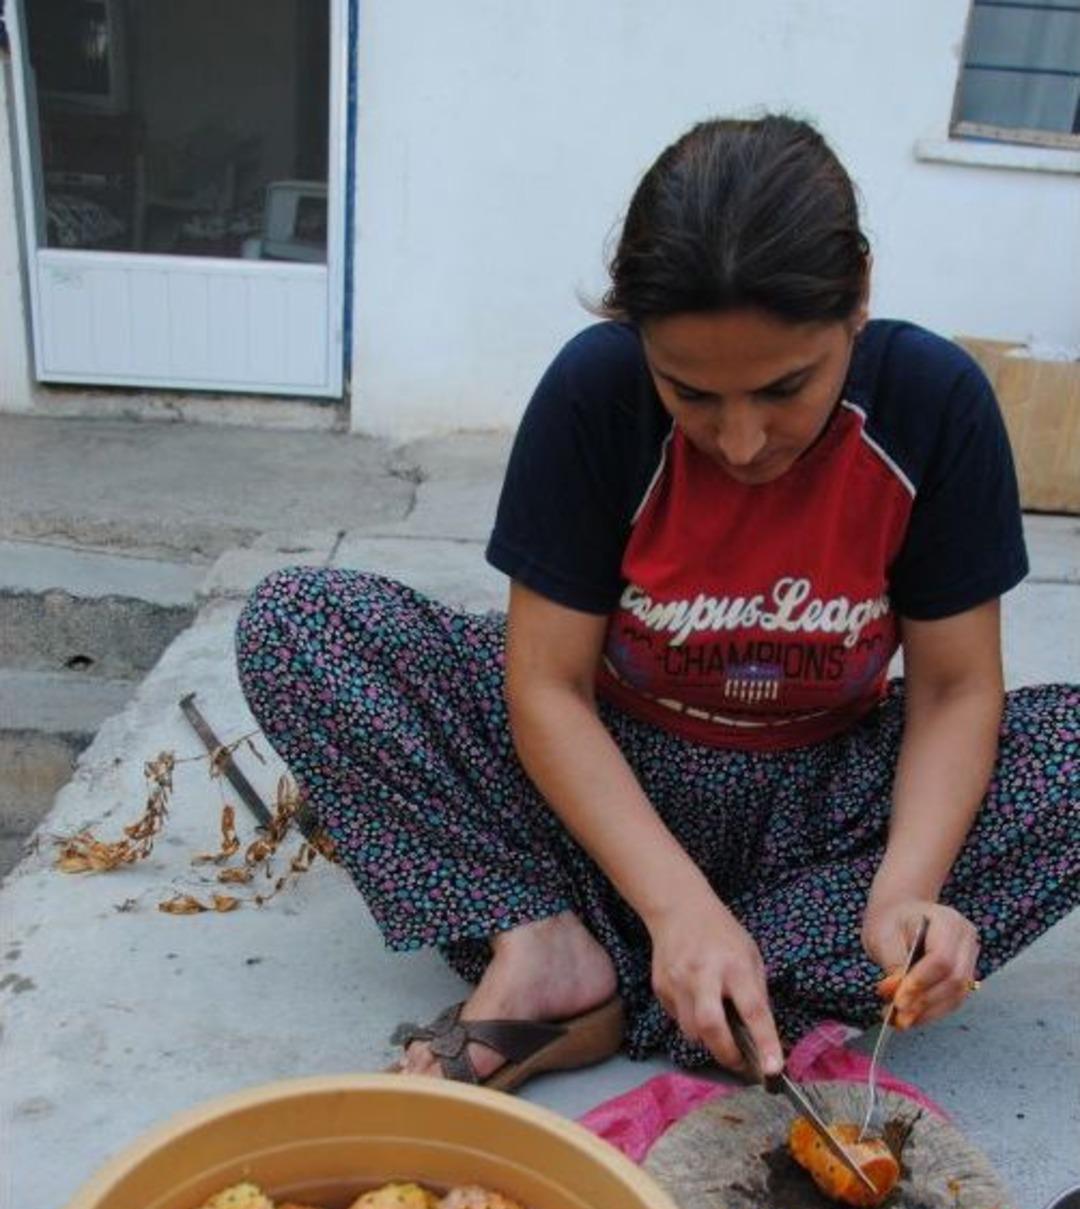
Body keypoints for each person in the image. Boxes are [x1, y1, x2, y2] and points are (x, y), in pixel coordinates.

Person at [236, 114, 1077, 1090]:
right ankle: (567, 945)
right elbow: (546, 689)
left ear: (860, 299)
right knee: (301, 627)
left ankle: (690, 976)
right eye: (691, 393)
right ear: (639, 340)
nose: (744, 441)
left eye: (785, 388)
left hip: (820, 802)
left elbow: (954, 693)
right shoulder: (596, 394)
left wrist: (907, 894)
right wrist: (677, 907)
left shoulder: (934, 404)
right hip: (605, 784)